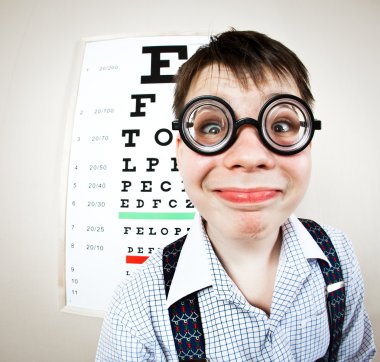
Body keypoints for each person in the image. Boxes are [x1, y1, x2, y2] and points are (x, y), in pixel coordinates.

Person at [96, 29, 376, 361]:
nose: (248, 155)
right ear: (181, 151)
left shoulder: (339, 255)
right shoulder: (137, 311)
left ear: (308, 144)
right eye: (212, 127)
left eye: (281, 126)